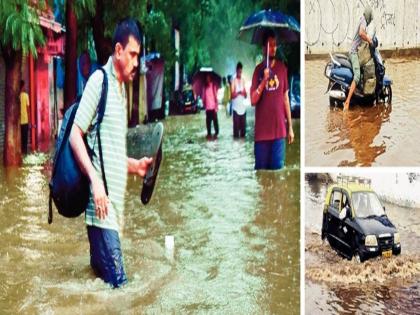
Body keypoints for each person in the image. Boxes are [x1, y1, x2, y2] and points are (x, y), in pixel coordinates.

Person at [69, 18, 153, 288]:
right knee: (122, 290)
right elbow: (75, 135)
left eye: (138, 56)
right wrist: (95, 181)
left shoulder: (120, 91)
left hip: (112, 213)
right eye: (132, 54)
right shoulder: (99, 82)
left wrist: (135, 166)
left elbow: (109, 153)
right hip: (101, 212)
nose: (136, 62)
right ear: (118, 51)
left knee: (104, 288)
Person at [250, 30, 294, 170]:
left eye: (275, 45)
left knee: (277, 176)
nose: (273, 48)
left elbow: (285, 98)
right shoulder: (258, 71)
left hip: (279, 133)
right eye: (270, 45)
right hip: (261, 135)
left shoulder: (282, 69)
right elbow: (252, 100)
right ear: (263, 48)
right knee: (261, 175)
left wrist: (290, 128)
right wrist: (263, 80)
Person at [343, 5, 374, 111]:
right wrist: (369, 40)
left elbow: (363, 34)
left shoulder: (362, 20)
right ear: (369, 15)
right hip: (354, 53)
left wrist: (369, 38)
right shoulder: (364, 21)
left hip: (355, 51)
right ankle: (347, 102)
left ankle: (357, 94)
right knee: (357, 76)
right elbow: (361, 33)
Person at [231, 62, 247, 138]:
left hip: (243, 108)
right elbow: (232, 95)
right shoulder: (233, 80)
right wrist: (238, 92)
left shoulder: (243, 80)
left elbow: (246, 94)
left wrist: (243, 93)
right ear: (236, 71)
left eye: (241, 71)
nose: (240, 73)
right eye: (238, 71)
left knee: (243, 133)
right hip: (235, 109)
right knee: (236, 134)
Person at [202, 74, 219, 139]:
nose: (207, 80)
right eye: (206, 78)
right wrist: (204, 103)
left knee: (215, 123)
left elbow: (215, 97)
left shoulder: (213, 86)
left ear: (210, 79)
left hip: (213, 108)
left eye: (208, 78)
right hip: (207, 108)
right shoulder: (204, 87)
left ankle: (216, 134)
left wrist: (216, 107)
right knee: (208, 124)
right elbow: (203, 98)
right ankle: (209, 134)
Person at [20, 80, 29, 154]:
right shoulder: (26, 95)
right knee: (25, 138)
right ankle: (25, 152)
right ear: (22, 86)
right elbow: (27, 108)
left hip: (19, 121)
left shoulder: (18, 96)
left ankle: (21, 151)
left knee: (21, 138)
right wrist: (29, 118)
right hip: (25, 120)